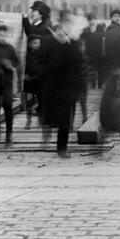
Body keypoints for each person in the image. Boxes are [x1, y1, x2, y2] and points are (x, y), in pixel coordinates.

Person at [40, 12, 84, 158]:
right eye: (66, 23)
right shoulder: (48, 42)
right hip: (52, 87)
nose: (67, 27)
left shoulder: (73, 43)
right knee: (52, 118)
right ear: (60, 24)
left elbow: (78, 64)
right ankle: (47, 141)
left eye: (70, 24)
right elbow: (44, 65)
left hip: (68, 87)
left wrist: (68, 45)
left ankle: (62, 148)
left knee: (65, 119)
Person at [23, 34, 43, 129]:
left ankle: (40, 120)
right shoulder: (26, 55)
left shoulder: (42, 55)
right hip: (29, 81)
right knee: (29, 102)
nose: (37, 45)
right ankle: (28, 120)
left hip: (39, 80)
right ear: (29, 44)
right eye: (35, 43)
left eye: (39, 43)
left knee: (41, 100)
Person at [81, 14, 104, 88]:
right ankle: (94, 84)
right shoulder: (85, 29)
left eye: (93, 19)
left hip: (98, 51)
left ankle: (98, 84)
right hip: (90, 52)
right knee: (93, 69)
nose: (92, 21)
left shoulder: (98, 27)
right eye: (90, 19)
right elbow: (83, 41)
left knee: (98, 69)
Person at [103, 9, 120, 78]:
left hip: (114, 62)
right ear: (111, 18)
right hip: (116, 62)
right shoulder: (113, 29)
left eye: (119, 16)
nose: (117, 18)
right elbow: (113, 47)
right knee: (119, 82)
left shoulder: (116, 28)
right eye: (115, 16)